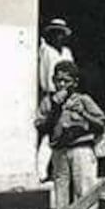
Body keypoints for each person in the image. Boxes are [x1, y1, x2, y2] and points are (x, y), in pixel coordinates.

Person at [34, 60, 105, 208]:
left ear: (75, 82)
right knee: (61, 193)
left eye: (65, 81)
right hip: (59, 150)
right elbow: (41, 127)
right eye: (57, 80)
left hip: (81, 149)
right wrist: (55, 108)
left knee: (85, 190)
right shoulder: (48, 101)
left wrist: (83, 113)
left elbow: (101, 125)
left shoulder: (83, 100)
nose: (61, 85)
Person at [36, 18, 75, 182]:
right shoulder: (46, 51)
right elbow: (44, 75)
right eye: (55, 33)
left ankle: (60, 170)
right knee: (49, 132)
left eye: (61, 34)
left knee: (64, 131)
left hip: (67, 94)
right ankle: (41, 172)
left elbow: (73, 72)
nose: (58, 37)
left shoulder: (67, 52)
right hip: (52, 94)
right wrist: (52, 95)